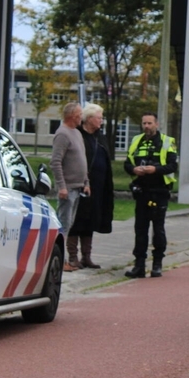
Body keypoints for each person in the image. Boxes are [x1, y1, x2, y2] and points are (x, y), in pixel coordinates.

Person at [123, 112, 178, 279]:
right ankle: (139, 266)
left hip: (160, 191)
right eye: (144, 123)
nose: (146, 126)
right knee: (140, 229)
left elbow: (172, 166)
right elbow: (127, 163)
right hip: (142, 191)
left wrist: (155, 170)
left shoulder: (167, 142)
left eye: (149, 123)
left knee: (158, 229)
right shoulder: (136, 141)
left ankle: (157, 264)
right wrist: (133, 169)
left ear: (157, 124)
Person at [68, 103, 114, 270]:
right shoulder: (78, 135)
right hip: (80, 185)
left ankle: (86, 256)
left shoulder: (100, 137)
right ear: (88, 119)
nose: (101, 121)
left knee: (91, 219)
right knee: (76, 220)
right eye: (98, 117)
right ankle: (72, 256)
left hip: (99, 186)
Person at [50, 101, 90, 271]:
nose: (82, 117)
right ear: (72, 116)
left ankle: (63, 260)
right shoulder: (62, 134)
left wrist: (86, 182)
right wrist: (61, 186)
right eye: (80, 114)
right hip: (68, 188)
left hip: (78, 186)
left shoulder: (77, 133)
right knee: (63, 225)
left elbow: (82, 160)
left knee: (69, 223)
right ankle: (59, 260)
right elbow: (56, 162)